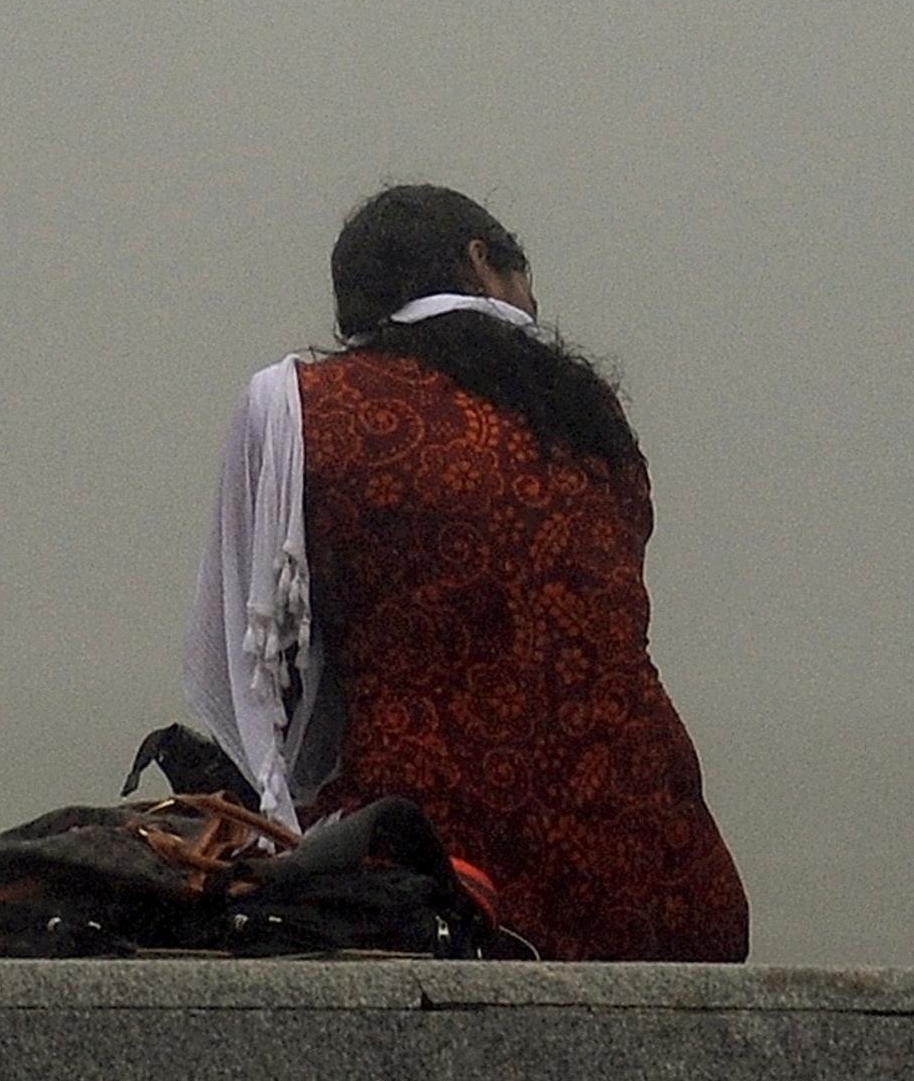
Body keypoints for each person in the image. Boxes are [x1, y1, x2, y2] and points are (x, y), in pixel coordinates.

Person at [184, 183, 748, 960]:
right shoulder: (586, 415)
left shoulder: (299, 406)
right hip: (654, 862)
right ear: (483, 263)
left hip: (436, 866)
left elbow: (247, 671)